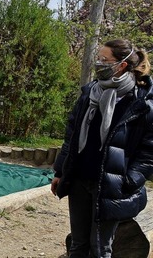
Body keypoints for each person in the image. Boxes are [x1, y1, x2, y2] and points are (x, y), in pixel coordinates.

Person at [51, 39, 153, 257]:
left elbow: (149, 153)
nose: (98, 63)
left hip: (111, 186)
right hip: (79, 180)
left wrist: (129, 181)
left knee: (101, 248)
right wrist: (60, 171)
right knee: (78, 245)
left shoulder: (142, 103)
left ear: (122, 65)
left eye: (104, 60)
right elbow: (72, 135)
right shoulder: (90, 93)